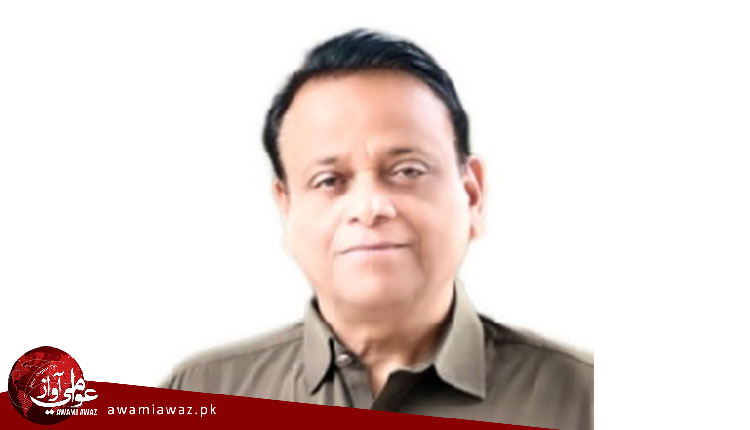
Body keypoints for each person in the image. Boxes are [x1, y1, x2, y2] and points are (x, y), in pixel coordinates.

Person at [161, 29, 593, 429]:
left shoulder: (587, 399)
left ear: (472, 194)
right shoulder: (199, 395)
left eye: (407, 171)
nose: (370, 208)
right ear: (286, 209)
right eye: (329, 181)